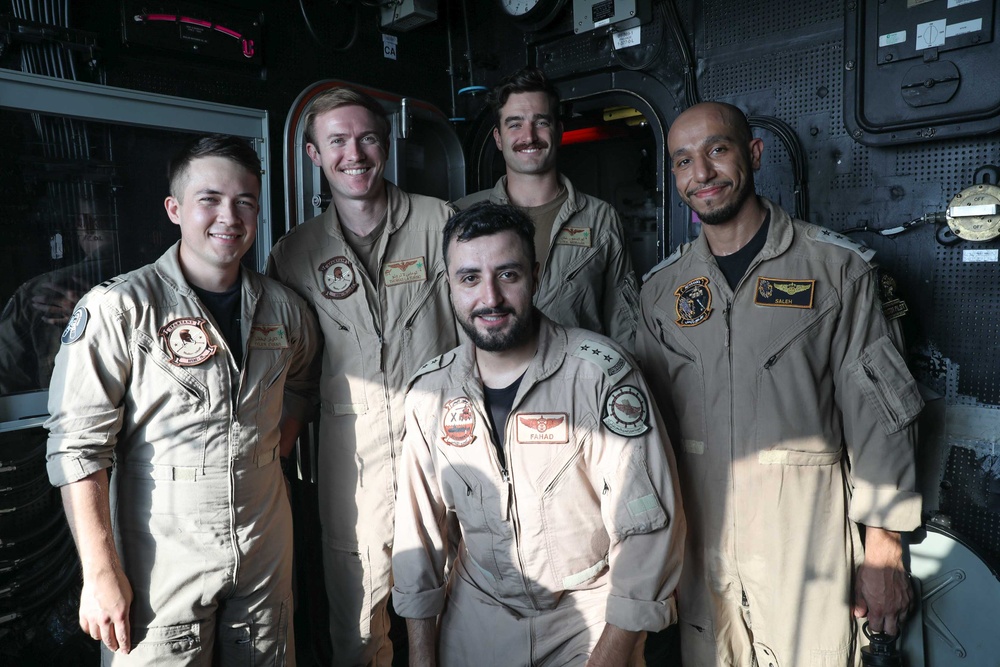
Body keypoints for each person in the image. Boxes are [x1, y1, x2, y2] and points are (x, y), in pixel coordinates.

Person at [635, 101, 923, 666]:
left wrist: (884, 548)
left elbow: (881, 418)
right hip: (700, 557)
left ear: (754, 154)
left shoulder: (835, 270)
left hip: (805, 552)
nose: (702, 173)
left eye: (717, 150)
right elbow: (644, 440)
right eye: (684, 161)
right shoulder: (661, 292)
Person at [45, 135, 320, 665]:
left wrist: (271, 453)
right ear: (174, 209)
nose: (229, 217)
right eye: (209, 199)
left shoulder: (284, 309)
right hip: (160, 548)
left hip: (264, 537)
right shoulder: (121, 309)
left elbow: (304, 383)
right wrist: (99, 573)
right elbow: (77, 448)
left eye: (244, 202)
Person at [392, 202, 684, 666]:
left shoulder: (601, 376)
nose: (490, 298)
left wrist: (607, 659)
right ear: (449, 285)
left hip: (585, 609)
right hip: (479, 606)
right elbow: (418, 538)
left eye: (507, 275)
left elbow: (648, 533)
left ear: (536, 276)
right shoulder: (430, 393)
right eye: (470, 278)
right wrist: (422, 659)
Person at [266, 87, 457, 666]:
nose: (354, 153)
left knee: (457, 604)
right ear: (314, 154)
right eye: (338, 141)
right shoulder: (294, 254)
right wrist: (273, 458)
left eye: (367, 138)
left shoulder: (440, 223)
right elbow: (292, 374)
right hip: (351, 464)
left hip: (445, 450)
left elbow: (482, 334)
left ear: (386, 144)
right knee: (358, 619)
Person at [454, 67, 639, 350]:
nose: (529, 136)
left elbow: (624, 326)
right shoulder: (461, 215)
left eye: (540, 122)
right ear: (498, 138)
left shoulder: (600, 218)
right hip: (489, 376)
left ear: (559, 131)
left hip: (577, 375)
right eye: (515, 124)